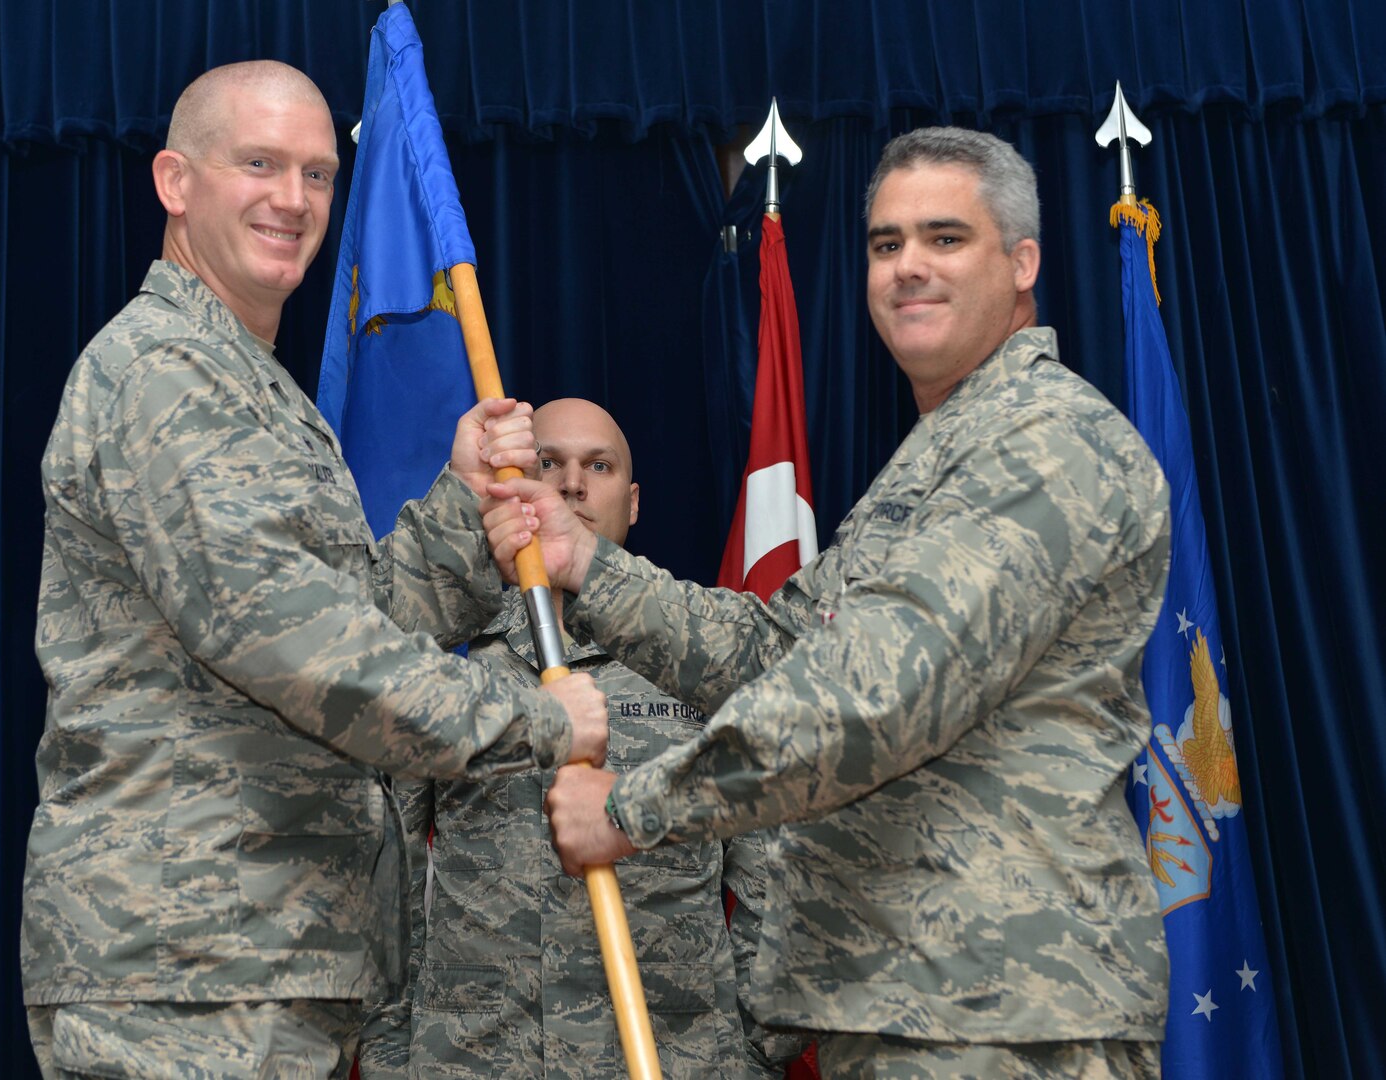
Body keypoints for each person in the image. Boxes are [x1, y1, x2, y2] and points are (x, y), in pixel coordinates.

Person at [489, 128, 1172, 1077]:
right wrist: (588, 565)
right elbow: (777, 647)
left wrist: (634, 808)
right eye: (887, 243)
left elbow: (873, 697)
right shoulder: (941, 453)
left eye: (944, 238)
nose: (908, 267)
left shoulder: (1044, 443)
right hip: (909, 1002)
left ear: (1023, 263)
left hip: (1006, 1013)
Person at [20, 61, 606, 1080]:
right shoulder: (163, 373)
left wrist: (460, 509)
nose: (293, 199)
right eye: (259, 164)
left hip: (268, 956)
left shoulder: (250, 386)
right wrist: (537, 722)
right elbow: (295, 649)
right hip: (188, 964)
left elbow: (353, 613)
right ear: (174, 182)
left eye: (318, 173)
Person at [358, 399, 804, 1079]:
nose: (571, 484)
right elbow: (386, 871)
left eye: (598, 466)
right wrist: (396, 1056)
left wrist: (746, 1056)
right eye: (548, 463)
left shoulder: (701, 666)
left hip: (668, 1058)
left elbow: (778, 877)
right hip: (480, 1059)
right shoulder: (451, 664)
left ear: (633, 501)